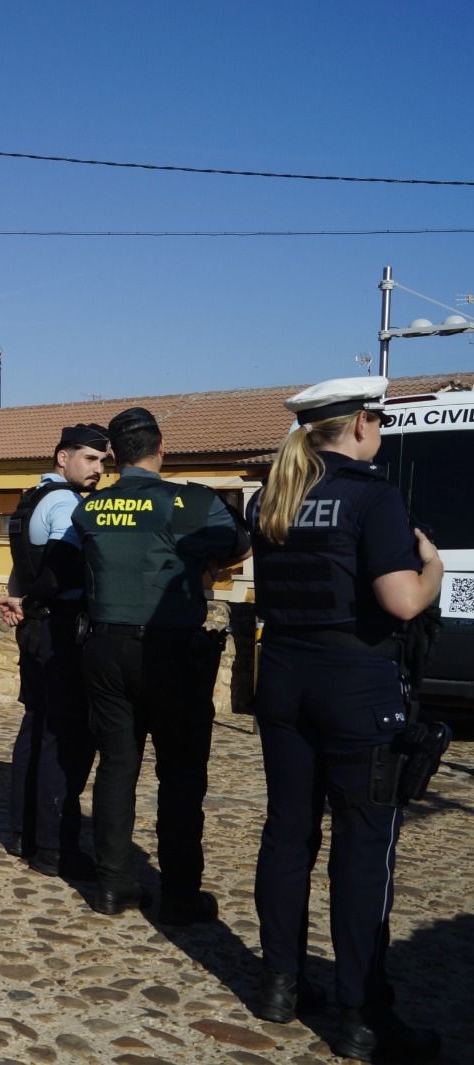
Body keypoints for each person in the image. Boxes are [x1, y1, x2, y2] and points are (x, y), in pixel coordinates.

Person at [248, 377, 443, 1063]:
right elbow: (400, 601)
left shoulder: (274, 496)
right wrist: (435, 569)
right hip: (355, 685)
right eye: (379, 422)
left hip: (282, 680)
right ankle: (361, 1015)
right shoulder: (372, 494)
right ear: (361, 423)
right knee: (363, 847)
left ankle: (280, 983)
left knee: (288, 831)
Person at [71, 406, 250, 920]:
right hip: (171, 651)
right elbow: (238, 541)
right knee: (180, 775)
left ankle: (111, 886)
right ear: (160, 449)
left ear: (113, 456)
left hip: (104, 650)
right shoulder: (191, 502)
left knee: (116, 768)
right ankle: (179, 895)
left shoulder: (91, 509)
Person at [0, 423, 109, 878]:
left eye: (104, 462)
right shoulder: (65, 503)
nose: (99, 470)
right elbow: (62, 569)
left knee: (37, 727)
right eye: (91, 459)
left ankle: (24, 832)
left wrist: (18, 598)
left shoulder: (30, 500)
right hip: (61, 629)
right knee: (63, 738)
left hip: (35, 629)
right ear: (63, 458)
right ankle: (54, 847)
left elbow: (22, 567)